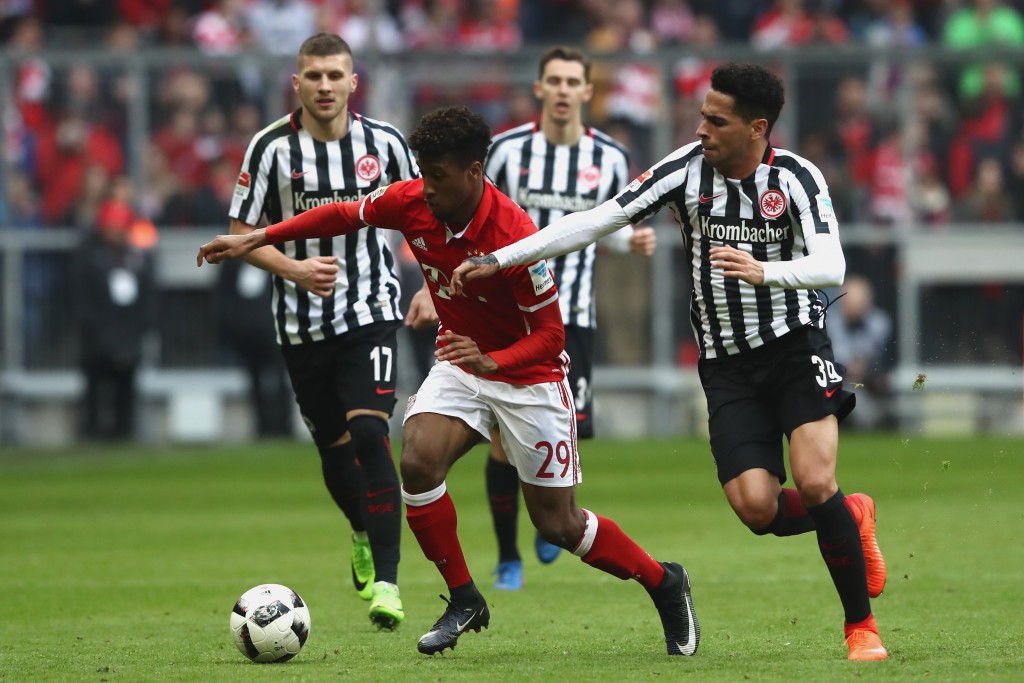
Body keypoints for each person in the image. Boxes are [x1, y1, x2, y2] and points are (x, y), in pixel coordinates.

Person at [198, 105, 700, 658]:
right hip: (462, 362)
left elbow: (551, 337)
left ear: (474, 172)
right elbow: (342, 214)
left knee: (559, 525)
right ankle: (464, 597)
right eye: (423, 172)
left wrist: (494, 361)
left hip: (528, 378)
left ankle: (664, 582)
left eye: (437, 175)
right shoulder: (413, 200)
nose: (427, 186)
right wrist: (257, 238)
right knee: (417, 460)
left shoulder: (514, 236)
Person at [452, 62, 889, 662]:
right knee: (756, 508)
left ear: (757, 128)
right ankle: (850, 513)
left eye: (716, 120)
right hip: (726, 364)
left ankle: (861, 627)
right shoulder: (685, 169)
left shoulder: (794, 176)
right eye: (702, 116)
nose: (701, 128)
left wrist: (764, 272)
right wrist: (502, 259)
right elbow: (598, 219)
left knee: (814, 481)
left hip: (794, 346)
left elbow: (831, 265)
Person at [224, 32, 422, 631]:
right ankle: (361, 530)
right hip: (300, 325)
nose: (326, 85)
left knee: (371, 433)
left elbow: (425, 215)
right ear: (297, 83)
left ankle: (388, 581)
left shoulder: (385, 143)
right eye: (314, 76)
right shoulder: (269, 148)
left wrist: (431, 286)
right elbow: (241, 234)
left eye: (336, 75)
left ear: (354, 82)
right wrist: (296, 269)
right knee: (335, 451)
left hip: (371, 312)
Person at [482, 46, 656, 590]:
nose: (562, 90)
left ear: (586, 91)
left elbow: (610, 227)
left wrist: (631, 242)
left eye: (571, 81)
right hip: (511, 316)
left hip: (572, 316)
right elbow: (483, 218)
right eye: (553, 80)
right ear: (539, 88)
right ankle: (508, 557)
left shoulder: (610, 157)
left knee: (563, 431)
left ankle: (552, 519)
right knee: (502, 439)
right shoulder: (506, 151)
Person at [73, 194, 157, 441]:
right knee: (95, 386)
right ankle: (92, 430)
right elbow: (81, 295)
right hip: (98, 332)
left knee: (126, 386)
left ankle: (124, 430)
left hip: (128, 331)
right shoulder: (89, 255)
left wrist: (144, 325)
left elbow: (149, 293)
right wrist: (93, 326)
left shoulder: (137, 256)